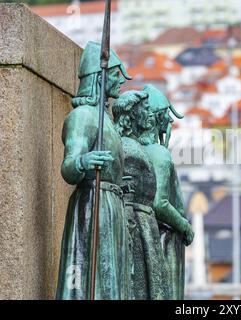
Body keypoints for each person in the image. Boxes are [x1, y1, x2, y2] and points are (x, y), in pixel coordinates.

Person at [56, 41, 132, 300]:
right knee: (85, 279)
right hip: (92, 207)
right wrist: (83, 162)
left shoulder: (107, 121)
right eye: (115, 74)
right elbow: (68, 168)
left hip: (111, 208)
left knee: (112, 283)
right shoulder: (83, 117)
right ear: (100, 77)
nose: (121, 81)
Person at [113, 85, 194, 299]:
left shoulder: (125, 146)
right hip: (160, 236)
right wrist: (185, 226)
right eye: (166, 120)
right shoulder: (158, 153)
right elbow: (160, 203)